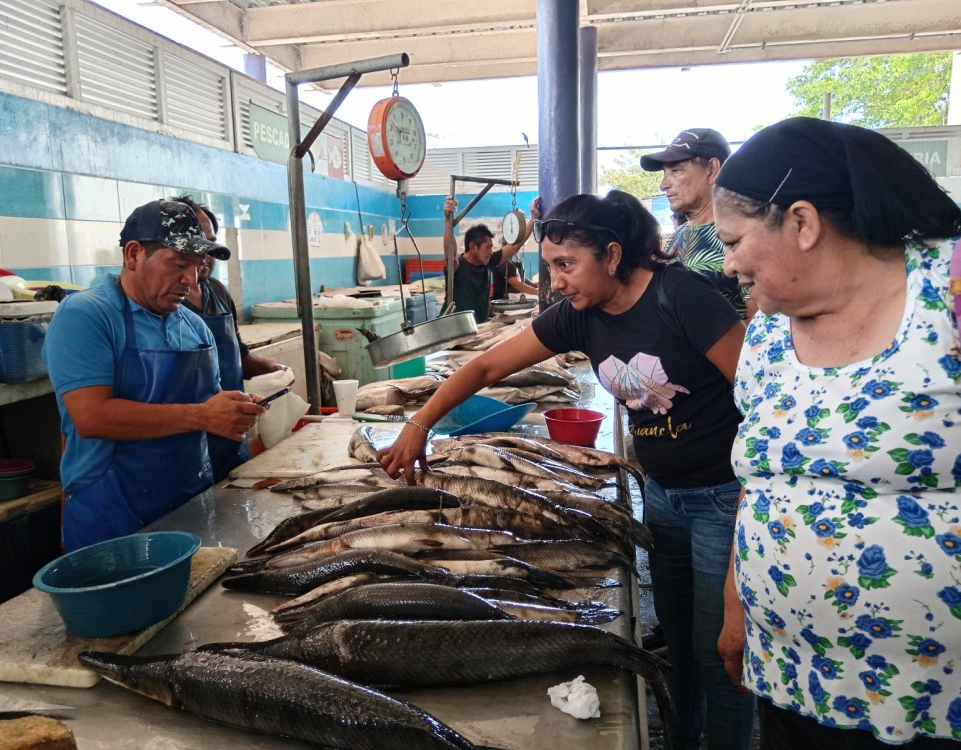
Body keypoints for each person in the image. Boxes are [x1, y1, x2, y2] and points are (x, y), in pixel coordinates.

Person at [380, 190, 754, 750]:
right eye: (550, 266)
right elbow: (485, 367)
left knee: (719, 649)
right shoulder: (581, 316)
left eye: (566, 265)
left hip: (722, 497)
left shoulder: (682, 297)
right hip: (663, 496)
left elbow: (761, 398)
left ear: (611, 255)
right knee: (679, 639)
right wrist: (418, 423)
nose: (555, 282)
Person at [714, 117, 961, 748]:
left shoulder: (949, 291)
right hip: (792, 681)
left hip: (935, 700)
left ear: (801, 222)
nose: (729, 264)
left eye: (735, 241)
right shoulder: (767, 333)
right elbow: (759, 480)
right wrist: (737, 606)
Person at [42, 199, 266, 551]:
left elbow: (207, 408)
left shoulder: (194, 327)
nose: (191, 279)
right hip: (111, 520)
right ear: (133, 255)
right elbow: (92, 417)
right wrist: (203, 415)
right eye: (179, 264)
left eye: (197, 267)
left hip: (191, 509)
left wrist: (234, 410)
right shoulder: (86, 316)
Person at [172, 195, 287, 481]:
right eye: (197, 244)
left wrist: (273, 371)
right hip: (187, 442)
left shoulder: (218, 292)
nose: (206, 254)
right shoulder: (167, 303)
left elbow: (238, 357)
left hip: (232, 441)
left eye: (211, 244)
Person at [641, 128, 756, 320]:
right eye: (664, 173)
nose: (663, 184)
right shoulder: (677, 237)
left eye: (675, 171)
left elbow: (760, 322)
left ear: (711, 170)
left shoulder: (740, 236)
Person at [441, 195, 541, 323]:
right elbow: (450, 255)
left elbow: (514, 247)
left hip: (477, 326)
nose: (490, 252)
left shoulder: (488, 262)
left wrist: (534, 218)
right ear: (473, 247)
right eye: (487, 248)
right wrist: (448, 220)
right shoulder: (458, 266)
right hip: (453, 327)